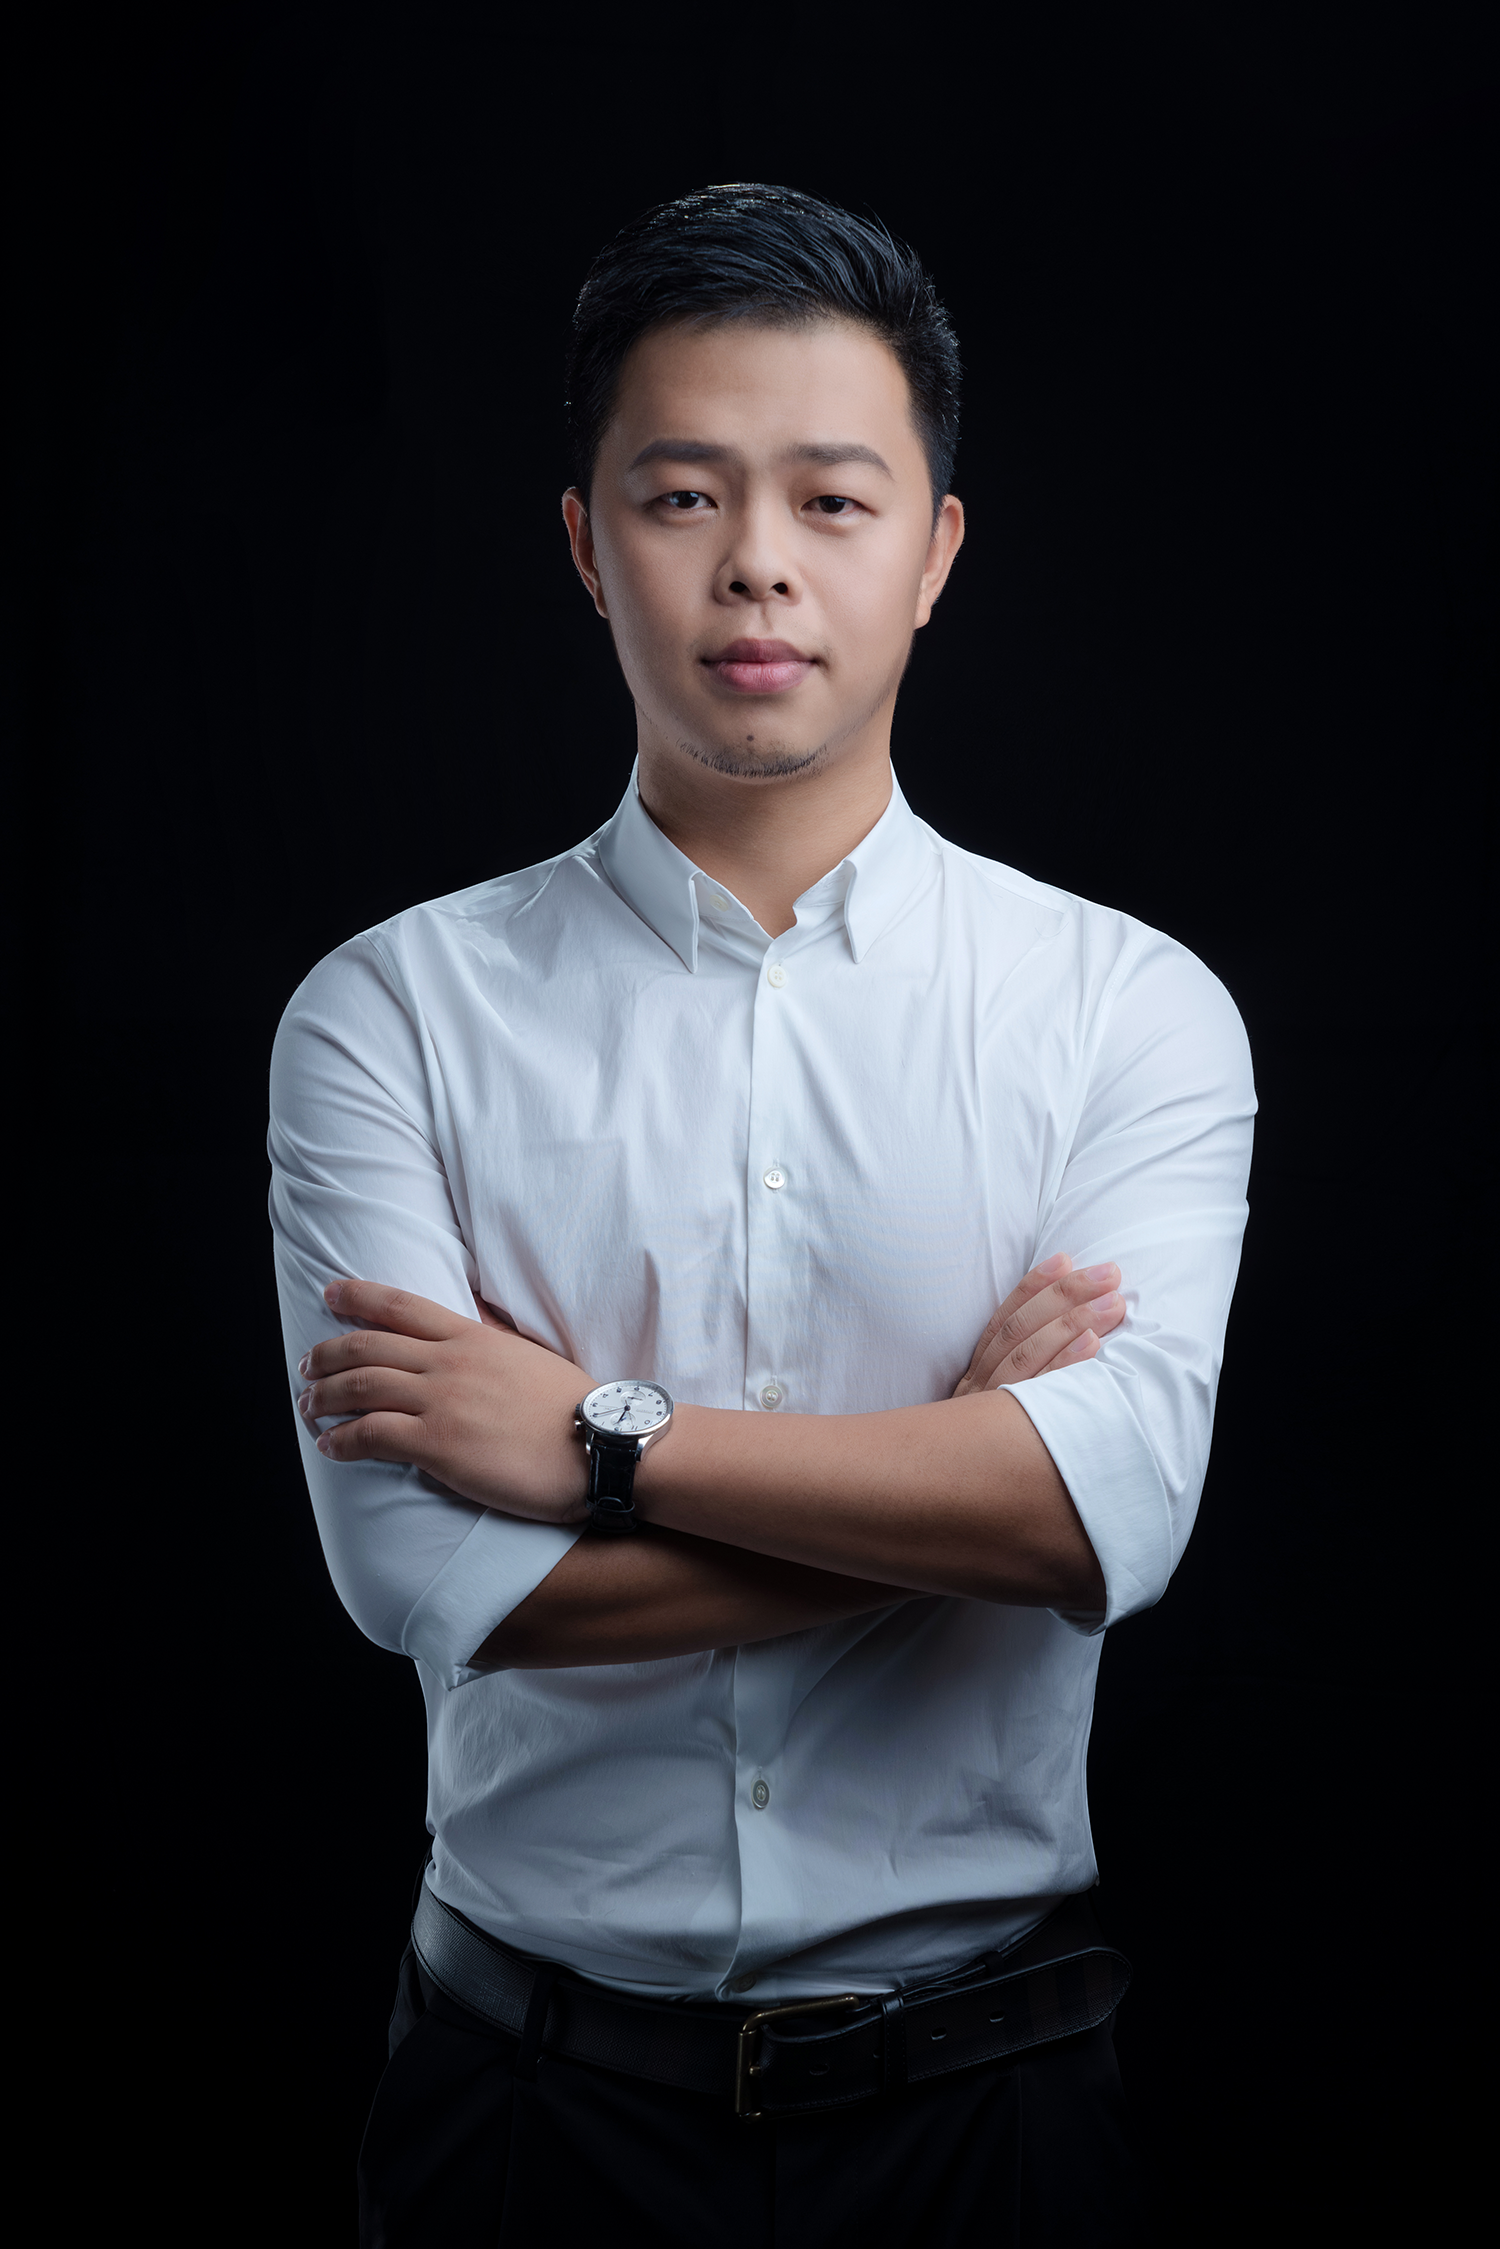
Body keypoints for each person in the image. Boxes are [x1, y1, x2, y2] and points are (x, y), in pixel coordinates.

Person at [269, 183, 1254, 2247]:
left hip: (992, 2126)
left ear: (936, 552)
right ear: (584, 543)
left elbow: (1104, 1527)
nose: (757, 564)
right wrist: (952, 1479)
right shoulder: (390, 1013)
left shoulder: (1126, 1007)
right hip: (525, 2116)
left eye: (831, 499)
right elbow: (426, 1578)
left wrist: (595, 1441)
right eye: (684, 495)